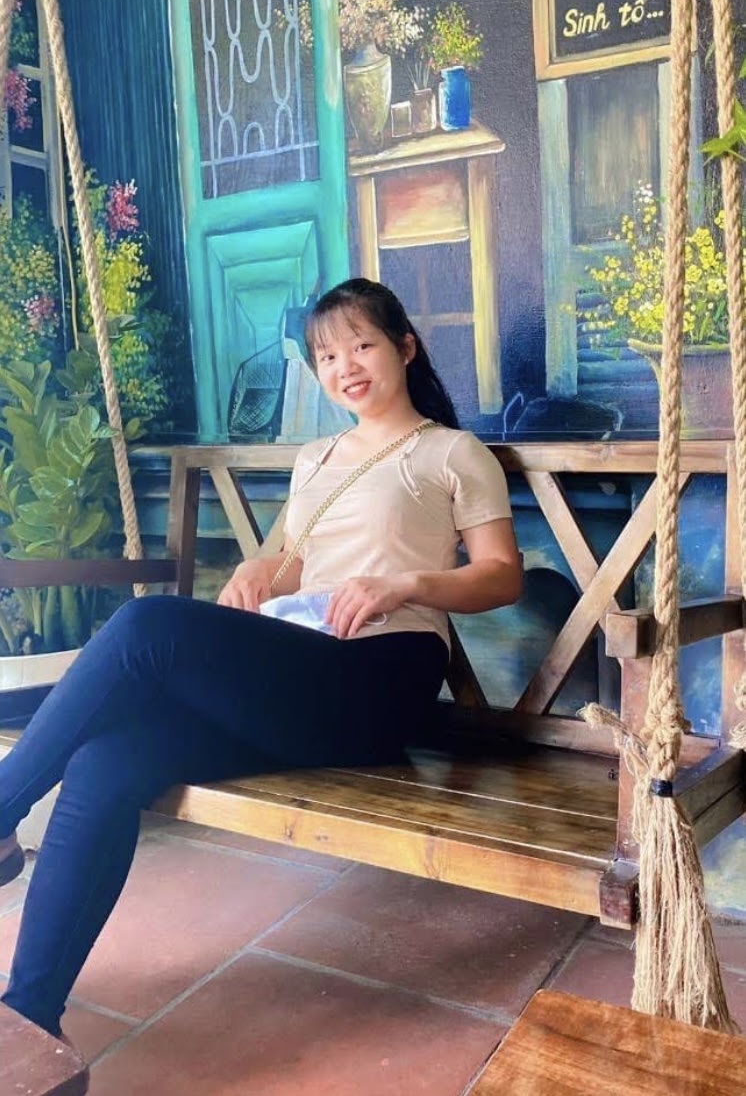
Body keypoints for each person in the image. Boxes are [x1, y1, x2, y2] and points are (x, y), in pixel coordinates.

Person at [0, 277, 522, 1038]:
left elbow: (501, 575)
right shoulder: (317, 457)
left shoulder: (451, 452)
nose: (345, 366)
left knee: (148, 625)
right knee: (106, 759)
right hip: (302, 675)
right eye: (327, 356)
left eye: (363, 345)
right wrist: (256, 572)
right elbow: (291, 562)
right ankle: (30, 1018)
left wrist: (407, 582)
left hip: (381, 676)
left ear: (405, 347)